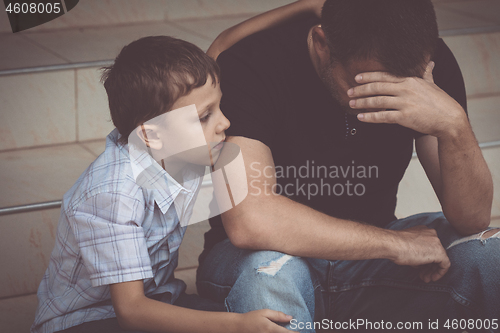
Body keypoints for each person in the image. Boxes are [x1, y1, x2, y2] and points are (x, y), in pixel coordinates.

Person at [196, 0, 499, 332]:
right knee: (267, 277)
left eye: (400, 92)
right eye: (361, 86)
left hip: (369, 267)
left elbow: (472, 219)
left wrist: (452, 124)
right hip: (265, 257)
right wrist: (394, 243)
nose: (377, 99)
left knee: (490, 255)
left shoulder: (428, 63)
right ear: (322, 44)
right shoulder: (252, 62)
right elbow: (250, 219)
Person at [31, 36, 298, 333]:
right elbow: (131, 312)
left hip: (160, 298)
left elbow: (225, 44)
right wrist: (236, 325)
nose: (224, 122)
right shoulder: (112, 193)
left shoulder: (179, 148)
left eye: (219, 106)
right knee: (232, 324)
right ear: (152, 136)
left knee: (232, 313)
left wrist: (307, 7)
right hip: (88, 320)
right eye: (204, 117)